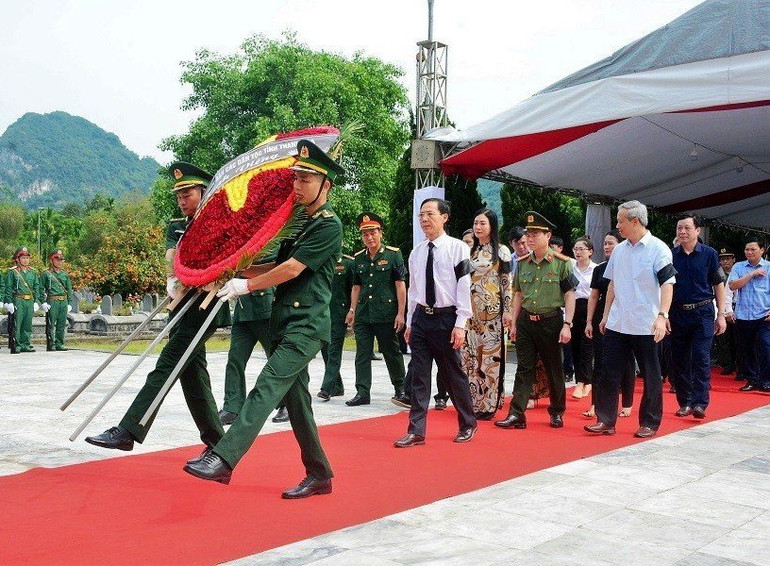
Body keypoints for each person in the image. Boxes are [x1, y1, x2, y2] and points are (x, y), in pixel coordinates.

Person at [185, 139, 344, 498]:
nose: (297, 186)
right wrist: (233, 271)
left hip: (308, 327)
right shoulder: (303, 223)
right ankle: (320, 474)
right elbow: (276, 264)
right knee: (297, 402)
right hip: (285, 322)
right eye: (296, 179)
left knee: (268, 384)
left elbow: (291, 269)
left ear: (325, 185)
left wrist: (247, 286)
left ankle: (223, 459)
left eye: (305, 180)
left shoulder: (328, 226)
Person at [85, 162, 231, 454]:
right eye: (178, 195)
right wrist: (170, 278)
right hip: (180, 305)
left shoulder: (221, 225)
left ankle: (129, 429)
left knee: (167, 362)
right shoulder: (177, 226)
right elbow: (170, 253)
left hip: (205, 308)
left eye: (188, 193)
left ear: (205, 193)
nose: (182, 199)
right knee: (193, 376)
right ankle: (219, 443)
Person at [585, 200, 675, 438]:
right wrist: (605, 316)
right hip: (618, 322)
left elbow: (668, 284)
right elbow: (613, 283)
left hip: (647, 324)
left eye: (620, 221)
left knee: (651, 375)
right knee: (608, 372)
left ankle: (649, 422)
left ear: (635, 221)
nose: (617, 225)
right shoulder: (620, 250)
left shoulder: (658, 248)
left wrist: (662, 316)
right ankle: (605, 420)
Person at [394, 198, 476, 447]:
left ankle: (467, 423)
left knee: (453, 374)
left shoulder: (458, 248)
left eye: (430, 214)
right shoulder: (416, 252)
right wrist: (409, 322)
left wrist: (460, 323)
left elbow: (464, 286)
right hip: (421, 319)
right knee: (419, 374)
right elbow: (414, 291)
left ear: (445, 217)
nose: (424, 219)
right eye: (421, 215)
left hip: (447, 318)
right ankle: (416, 430)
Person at [495, 211, 576, 431]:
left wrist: (567, 324)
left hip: (551, 321)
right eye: (528, 234)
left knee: (553, 369)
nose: (530, 238)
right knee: (524, 368)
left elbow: (570, 294)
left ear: (548, 236)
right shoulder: (522, 263)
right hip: (526, 322)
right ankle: (517, 414)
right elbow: (518, 293)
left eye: (535, 234)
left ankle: (557, 411)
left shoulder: (562, 263)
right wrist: (512, 319)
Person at [345, 213, 407, 406]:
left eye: (372, 233)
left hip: (386, 313)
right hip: (364, 313)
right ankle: (362, 393)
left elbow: (400, 285)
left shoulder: (393, 254)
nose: (369, 238)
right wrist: (352, 310)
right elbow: (356, 287)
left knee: (391, 352)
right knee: (362, 354)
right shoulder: (358, 258)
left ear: (381, 233)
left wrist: (401, 313)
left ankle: (401, 389)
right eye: (365, 235)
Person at [670, 215, 726, 420]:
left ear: (697, 230)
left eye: (686, 228)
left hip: (703, 312)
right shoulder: (670, 255)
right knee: (680, 359)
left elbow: (718, 284)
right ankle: (684, 402)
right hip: (677, 313)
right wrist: (663, 314)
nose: (682, 232)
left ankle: (700, 403)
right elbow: (664, 286)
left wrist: (721, 314)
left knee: (701, 358)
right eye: (679, 228)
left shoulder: (709, 254)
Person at [461, 208, 512, 419]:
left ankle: (489, 404)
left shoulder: (501, 251)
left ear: (491, 226)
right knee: (470, 357)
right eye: (475, 223)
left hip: (492, 313)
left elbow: (506, 283)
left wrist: (507, 311)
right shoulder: (467, 251)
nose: (478, 227)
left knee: (490, 359)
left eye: (482, 223)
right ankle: (473, 400)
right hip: (469, 313)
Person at [584, 230, 635, 419]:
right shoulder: (599, 269)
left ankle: (627, 402)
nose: (606, 247)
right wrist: (589, 321)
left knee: (627, 362)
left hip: (625, 316)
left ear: (621, 245)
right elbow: (594, 296)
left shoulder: (629, 266)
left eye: (610, 243)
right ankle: (596, 403)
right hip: (602, 318)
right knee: (599, 362)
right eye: (605, 243)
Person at [217, 284, 274, 425]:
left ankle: (286, 405)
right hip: (242, 312)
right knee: (235, 359)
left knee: (275, 360)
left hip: (264, 308)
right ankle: (232, 408)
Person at [727, 239, 770, 392]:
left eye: (753, 249)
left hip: (764, 314)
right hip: (743, 315)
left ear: (762, 250)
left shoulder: (769, 267)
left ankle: (766, 380)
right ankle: (752, 379)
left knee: (765, 347)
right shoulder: (739, 266)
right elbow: (732, 285)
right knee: (746, 350)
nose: (749, 252)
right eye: (747, 249)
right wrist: (751, 274)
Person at [317, 251, 354, 401]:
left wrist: (352, 311)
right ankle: (337, 386)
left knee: (333, 351)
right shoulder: (319, 260)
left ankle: (326, 388)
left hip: (340, 313)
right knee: (326, 350)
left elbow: (354, 289)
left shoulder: (347, 263)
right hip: (322, 313)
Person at [570, 236, 597, 399]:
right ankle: (583, 381)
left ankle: (583, 382)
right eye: (576, 249)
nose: (578, 252)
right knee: (575, 347)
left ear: (590, 251)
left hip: (589, 308)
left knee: (587, 347)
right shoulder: (570, 268)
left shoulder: (596, 269)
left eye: (581, 249)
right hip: (573, 308)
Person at [3, 247, 41, 353]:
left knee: (27, 323)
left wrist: (37, 302)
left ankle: (25, 344)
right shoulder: (13, 272)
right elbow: (8, 288)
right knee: (17, 323)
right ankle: (17, 344)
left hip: (29, 301)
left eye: (27, 258)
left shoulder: (32, 272)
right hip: (18, 300)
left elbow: (37, 287)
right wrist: (9, 302)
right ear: (18, 259)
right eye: (23, 258)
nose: (25, 260)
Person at [40, 250, 74, 351]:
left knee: (62, 324)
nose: (59, 262)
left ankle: (59, 343)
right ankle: (51, 344)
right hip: (52, 300)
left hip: (63, 301)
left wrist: (69, 302)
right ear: (52, 260)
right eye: (57, 259)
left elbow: (69, 288)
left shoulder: (64, 274)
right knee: (51, 324)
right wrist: (43, 302)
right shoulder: (46, 274)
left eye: (61, 260)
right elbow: (41, 288)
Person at [715, 248, 740, 377]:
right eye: (723, 259)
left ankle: (738, 365)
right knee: (723, 339)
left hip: (737, 308)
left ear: (733, 259)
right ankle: (727, 364)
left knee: (737, 339)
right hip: (721, 309)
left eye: (728, 259)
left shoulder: (739, 271)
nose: (725, 261)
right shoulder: (717, 272)